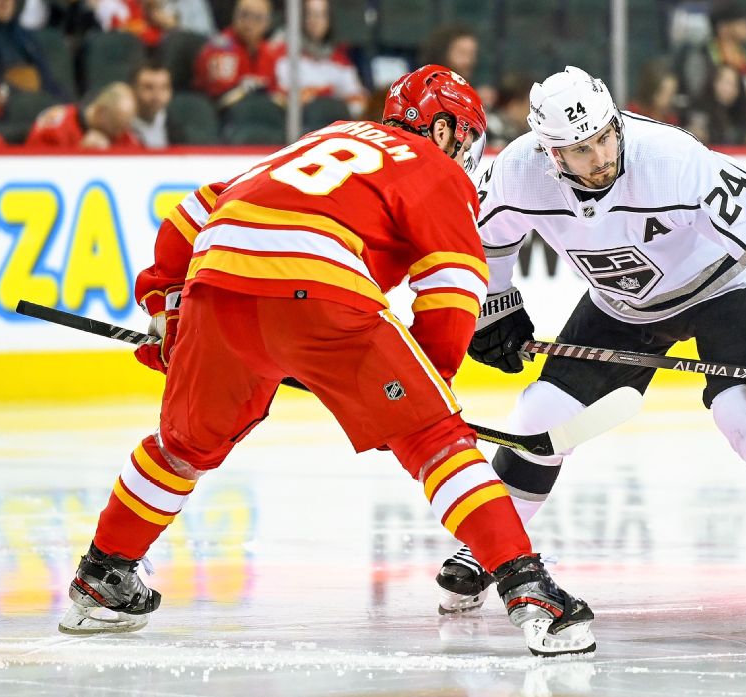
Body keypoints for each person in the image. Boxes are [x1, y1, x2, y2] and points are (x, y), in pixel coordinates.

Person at [57, 65, 596, 657]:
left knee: (182, 446)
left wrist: (169, 305)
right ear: (442, 131)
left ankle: (102, 578)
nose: (467, 153)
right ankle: (530, 592)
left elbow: (193, 212)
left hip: (217, 281)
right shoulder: (434, 168)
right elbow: (451, 288)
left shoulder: (327, 135)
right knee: (437, 442)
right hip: (317, 281)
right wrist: (427, 399)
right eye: (465, 137)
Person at [433, 66, 746, 632]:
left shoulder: (670, 158)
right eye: (579, 149)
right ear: (551, 155)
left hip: (718, 288)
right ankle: (487, 548)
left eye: (604, 137)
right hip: (617, 305)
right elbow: (485, 237)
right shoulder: (520, 171)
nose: (599, 156)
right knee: (541, 415)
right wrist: (494, 303)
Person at [272, 0, 365, 118]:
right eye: (310, 14)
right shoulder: (285, 52)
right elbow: (281, 96)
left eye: (321, 14)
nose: (315, 20)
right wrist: (328, 92)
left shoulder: (340, 59)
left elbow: (359, 100)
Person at [193, 0, 282, 109]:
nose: (249, 23)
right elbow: (222, 99)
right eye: (244, 15)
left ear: (268, 22)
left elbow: (278, 94)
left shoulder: (271, 51)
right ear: (234, 15)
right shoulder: (219, 48)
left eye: (257, 18)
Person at [26, 80, 139, 148]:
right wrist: (80, 154)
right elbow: (35, 167)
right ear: (101, 112)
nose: (120, 134)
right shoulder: (55, 125)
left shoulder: (123, 133)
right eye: (116, 127)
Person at [130, 61, 172, 149]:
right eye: (149, 87)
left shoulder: (176, 128)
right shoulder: (120, 129)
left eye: (164, 88)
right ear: (133, 90)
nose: (157, 95)